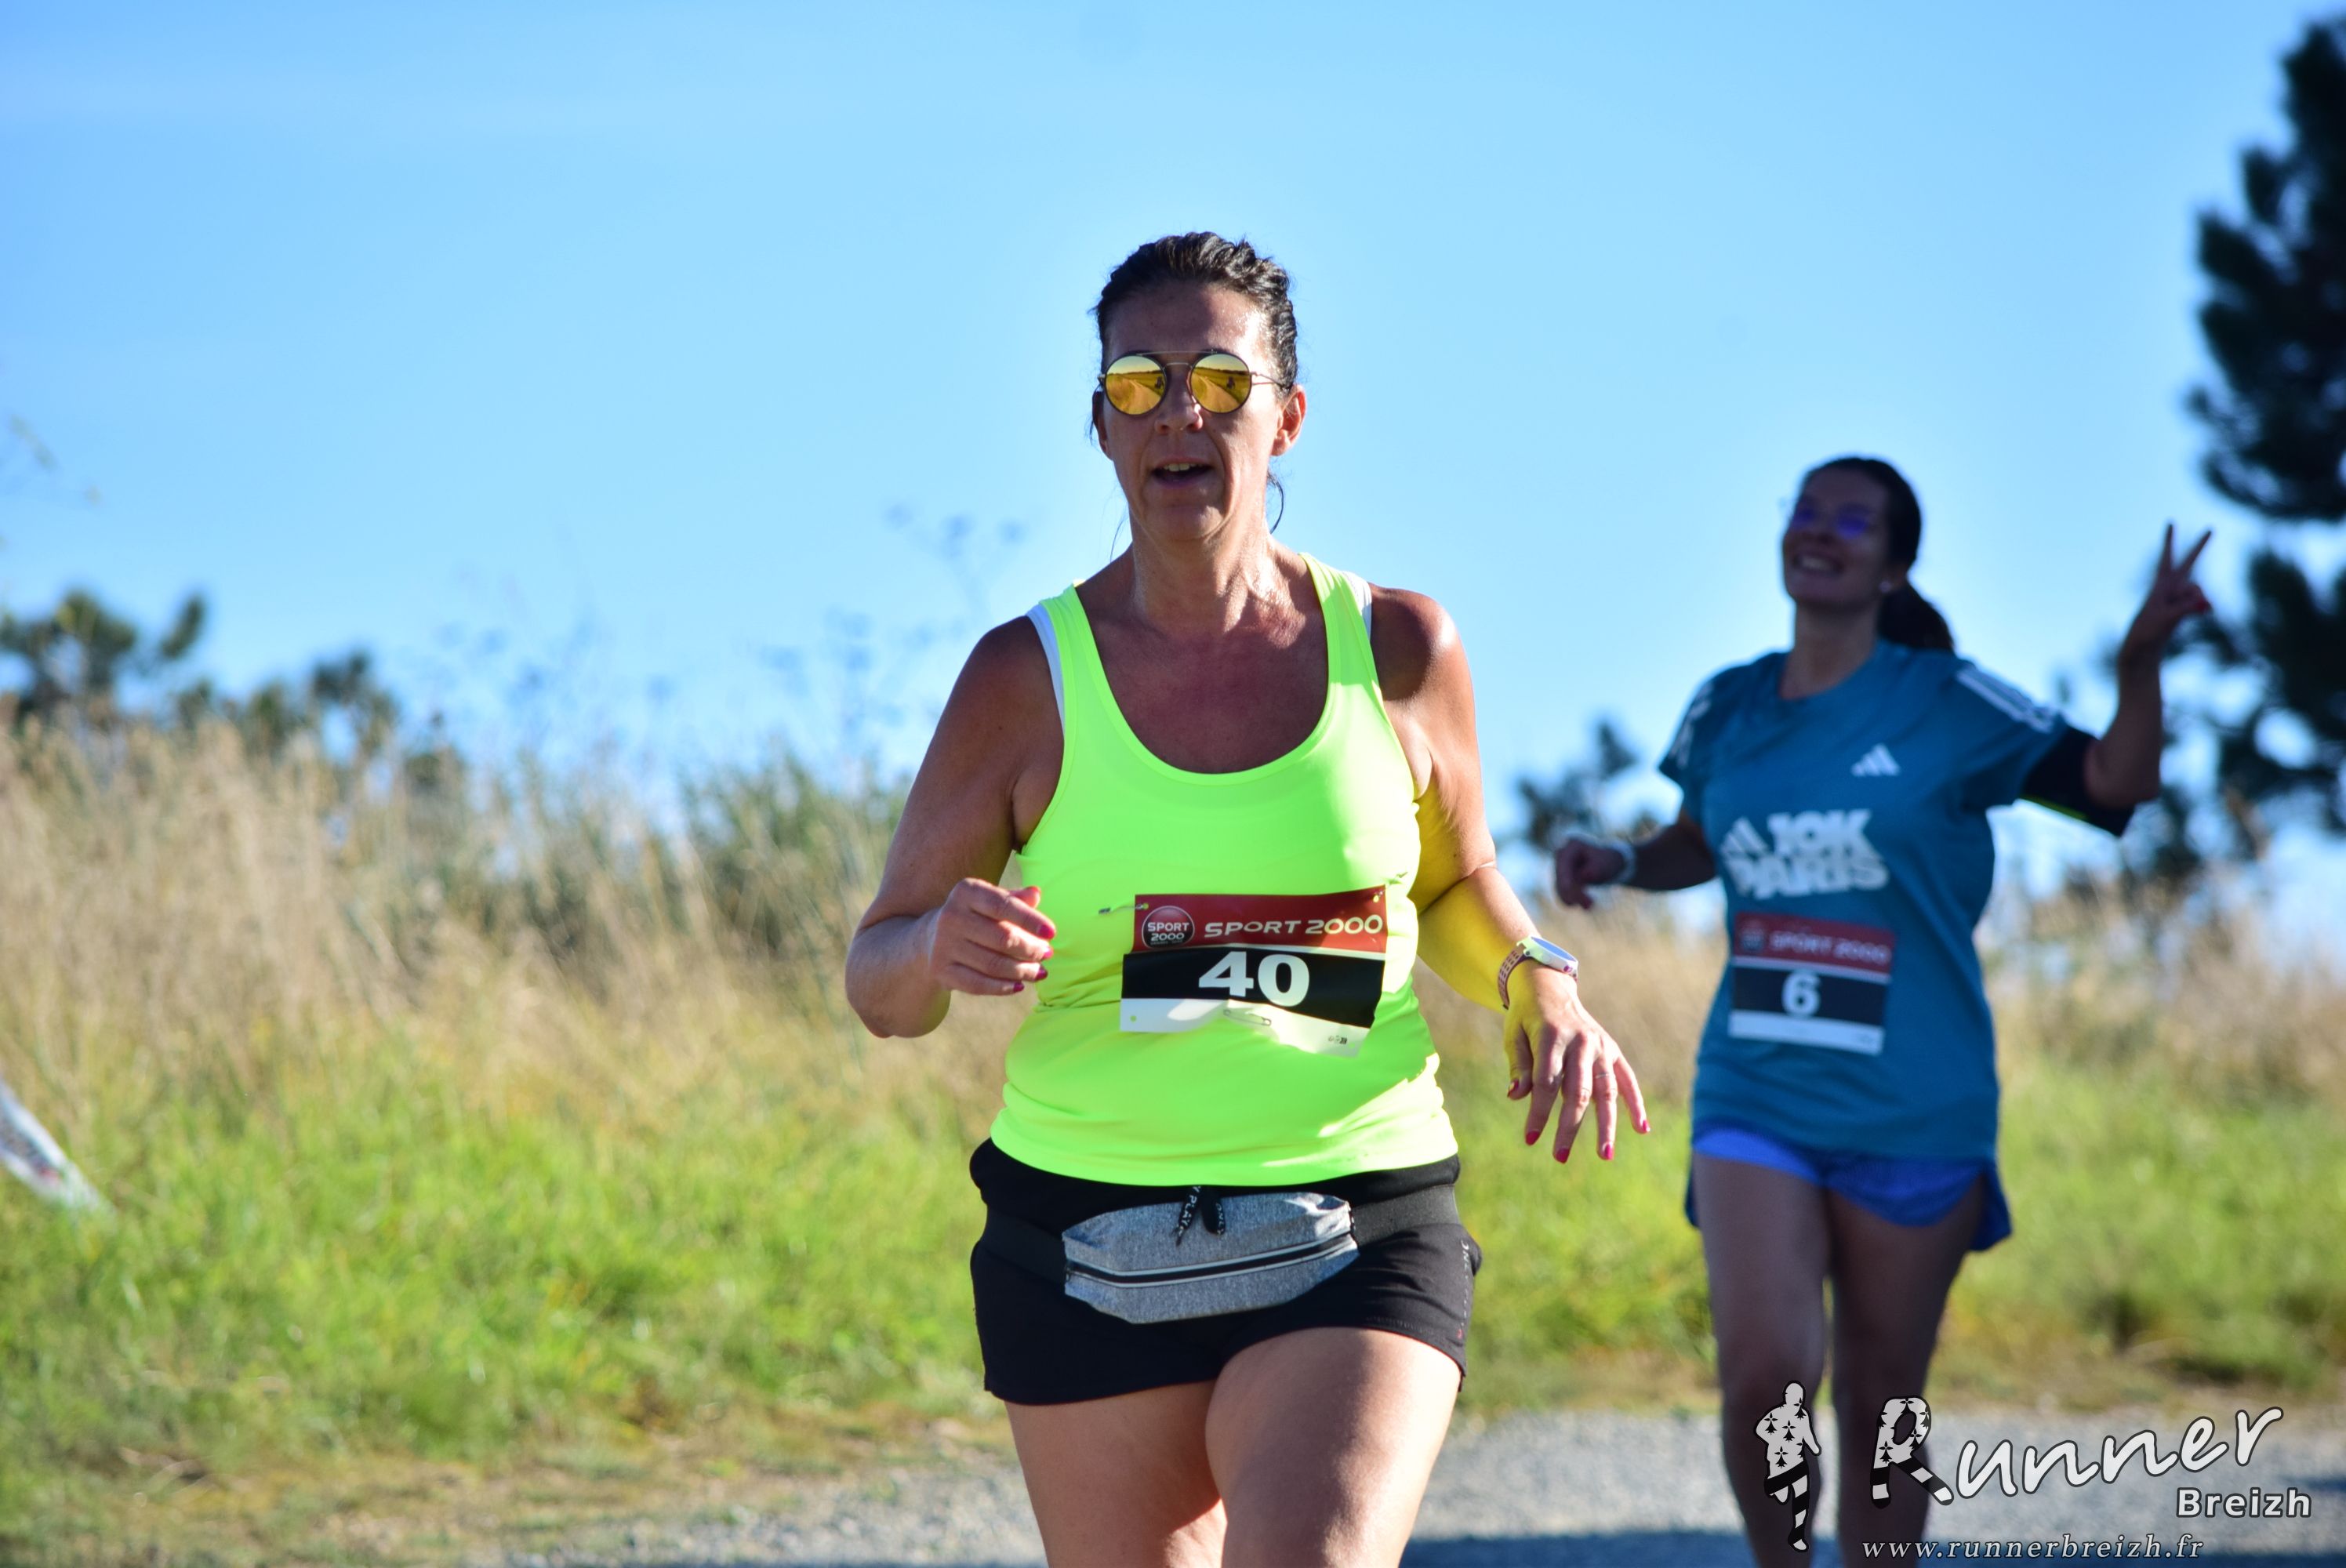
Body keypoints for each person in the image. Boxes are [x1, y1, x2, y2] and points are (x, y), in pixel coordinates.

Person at [845, 231, 1648, 1568]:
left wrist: (1536, 976)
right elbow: (879, 982)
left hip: (1356, 1211)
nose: (1180, 412)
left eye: (1221, 382)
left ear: (1288, 417)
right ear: (1101, 424)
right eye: (1140, 383)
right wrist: (935, 944)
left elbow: (1454, 880)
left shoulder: (1399, 647)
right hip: (1084, 1232)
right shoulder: (1023, 679)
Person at [1553, 456, 2209, 1564]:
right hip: (1757, 1088)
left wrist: (2138, 665)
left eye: (1853, 520)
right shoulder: (1727, 705)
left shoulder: (1948, 702)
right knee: (1765, 1377)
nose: (1821, 530)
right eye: (1806, 510)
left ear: (1895, 565)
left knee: (1883, 1402)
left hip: (1916, 1104)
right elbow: (1703, 839)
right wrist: (1623, 859)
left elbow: (2114, 783)